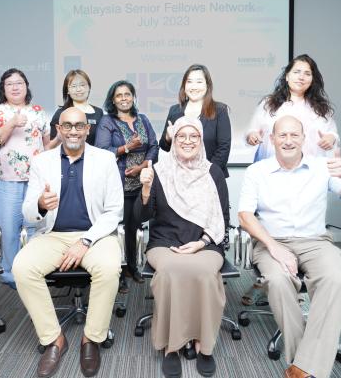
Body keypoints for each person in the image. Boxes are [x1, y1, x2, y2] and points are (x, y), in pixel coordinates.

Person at [12, 107, 123, 378]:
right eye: (67, 126)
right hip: (54, 235)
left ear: (88, 129)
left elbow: (114, 211)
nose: (73, 130)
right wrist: (39, 204)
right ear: (59, 130)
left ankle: (91, 339)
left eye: (79, 126)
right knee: (22, 267)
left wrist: (86, 240)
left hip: (95, 235)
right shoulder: (42, 162)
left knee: (109, 268)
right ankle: (53, 338)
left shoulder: (105, 159)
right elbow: (27, 210)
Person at [238, 115, 341, 378]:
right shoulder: (257, 171)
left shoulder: (322, 167)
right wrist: (273, 246)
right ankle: (307, 365)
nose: (288, 140)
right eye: (282, 135)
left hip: (315, 241)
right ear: (272, 140)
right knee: (278, 279)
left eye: (295, 135)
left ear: (304, 139)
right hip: (271, 240)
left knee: (337, 276)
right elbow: (245, 215)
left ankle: (300, 368)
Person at [134, 116, 229, 378]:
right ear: (173, 141)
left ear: (201, 140)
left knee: (206, 274)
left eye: (193, 136)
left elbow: (223, 218)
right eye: (181, 136)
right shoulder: (159, 172)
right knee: (171, 272)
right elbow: (141, 217)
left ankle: (204, 344)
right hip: (165, 244)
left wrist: (202, 243)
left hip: (206, 243)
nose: (187, 141)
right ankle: (171, 347)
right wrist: (144, 188)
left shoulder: (214, 173)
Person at [0, 68, 50, 289]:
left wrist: (60, 138)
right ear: (3, 88)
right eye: (9, 83)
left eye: (19, 82)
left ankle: (32, 270)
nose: (15, 87)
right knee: (10, 229)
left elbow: (47, 146)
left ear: (26, 86)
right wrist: (12, 122)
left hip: (34, 180)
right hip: (6, 180)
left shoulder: (39, 112)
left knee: (34, 227)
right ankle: (11, 275)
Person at [95, 80, 158, 291]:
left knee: (134, 227)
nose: (124, 98)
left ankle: (132, 266)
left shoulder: (144, 119)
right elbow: (102, 151)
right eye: (119, 95)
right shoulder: (107, 121)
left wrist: (141, 167)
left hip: (140, 184)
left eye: (127, 94)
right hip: (117, 184)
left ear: (133, 97)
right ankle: (118, 271)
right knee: (116, 230)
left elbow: (154, 147)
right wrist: (126, 147)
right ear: (113, 99)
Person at [246, 54, 338, 161]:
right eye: (296, 72)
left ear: (312, 79)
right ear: (287, 76)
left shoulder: (320, 107)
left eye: (307, 74)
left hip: (310, 170)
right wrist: (252, 135)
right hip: (272, 169)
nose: (301, 77)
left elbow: (332, 133)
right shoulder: (269, 103)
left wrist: (331, 138)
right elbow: (252, 131)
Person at [159, 64, 231, 177]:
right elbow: (164, 146)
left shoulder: (220, 110)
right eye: (189, 82)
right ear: (184, 85)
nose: (194, 86)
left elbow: (223, 148)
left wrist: (206, 174)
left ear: (207, 85)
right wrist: (168, 138)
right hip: (179, 177)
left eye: (199, 82)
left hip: (210, 177)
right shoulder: (175, 110)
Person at [50, 69, 103, 146]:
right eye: (74, 86)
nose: (78, 89)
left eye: (82, 85)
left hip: (95, 156)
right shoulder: (61, 113)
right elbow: (51, 146)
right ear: (67, 90)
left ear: (89, 87)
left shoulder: (99, 112)